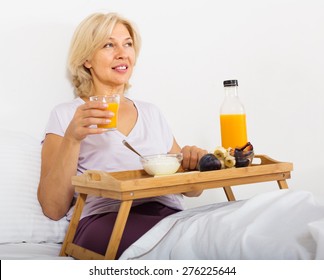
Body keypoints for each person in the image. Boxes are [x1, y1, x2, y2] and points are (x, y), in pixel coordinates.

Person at [37, 12, 207, 258]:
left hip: (167, 213)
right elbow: (52, 208)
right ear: (87, 59)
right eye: (109, 45)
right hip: (105, 219)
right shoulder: (67, 115)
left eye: (127, 44)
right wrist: (73, 139)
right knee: (191, 242)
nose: (122, 53)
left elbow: (191, 191)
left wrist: (194, 165)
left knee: (224, 226)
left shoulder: (151, 112)